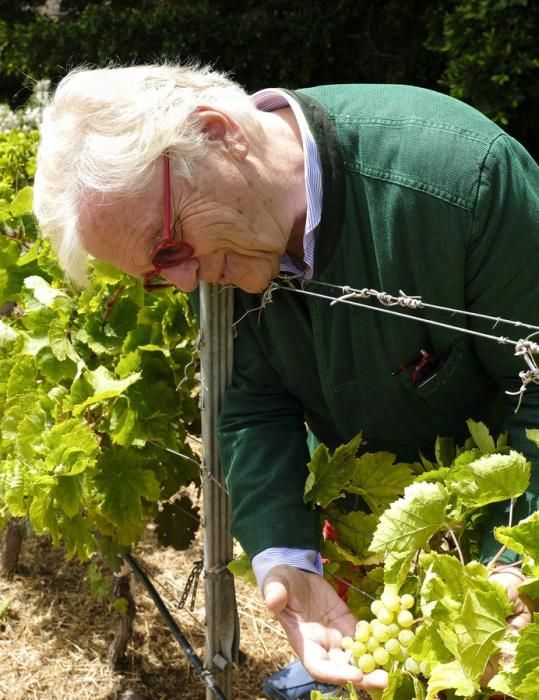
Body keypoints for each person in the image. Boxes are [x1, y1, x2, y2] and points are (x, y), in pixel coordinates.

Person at [33, 63, 539, 699]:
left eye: (167, 249)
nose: (187, 283)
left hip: (510, 524)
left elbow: (538, 394)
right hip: (379, 526)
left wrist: (514, 566)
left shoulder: (463, 180)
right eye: (157, 275)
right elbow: (251, 407)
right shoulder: (216, 247)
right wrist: (285, 557)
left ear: (217, 133)